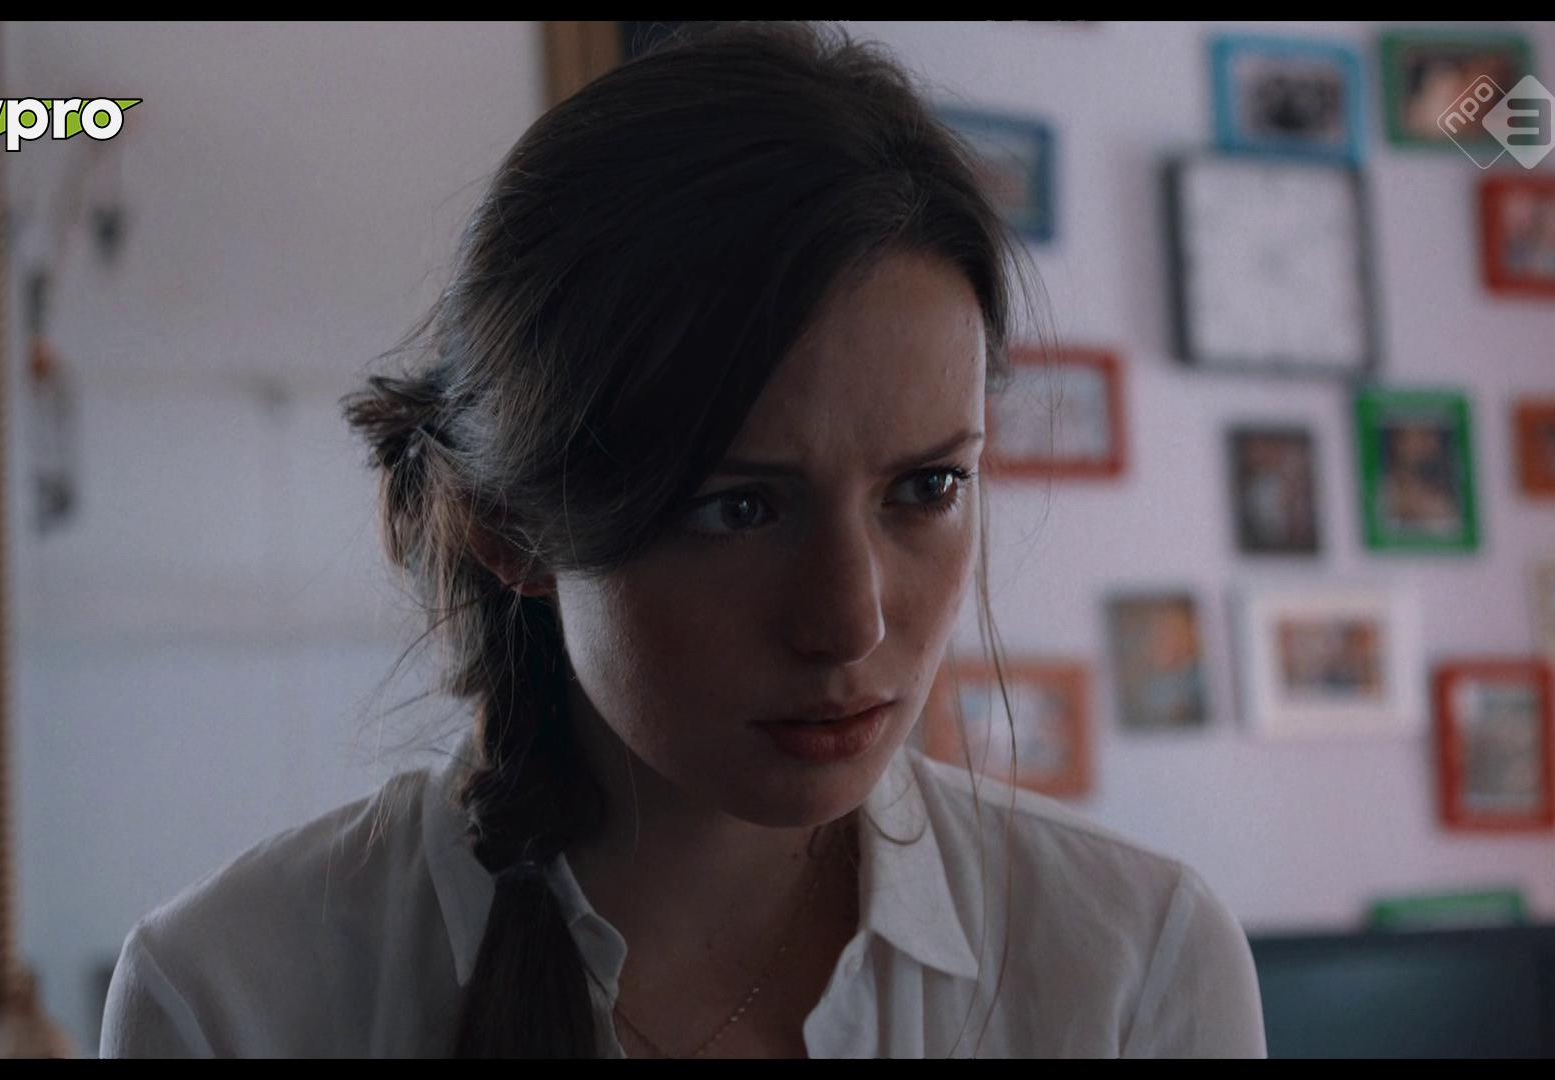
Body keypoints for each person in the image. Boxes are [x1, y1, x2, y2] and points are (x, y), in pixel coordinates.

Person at [98, 21, 1266, 1058]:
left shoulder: (1132, 968)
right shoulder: (230, 1002)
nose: (850, 619)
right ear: (508, 524)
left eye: (926, 487)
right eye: (738, 507)